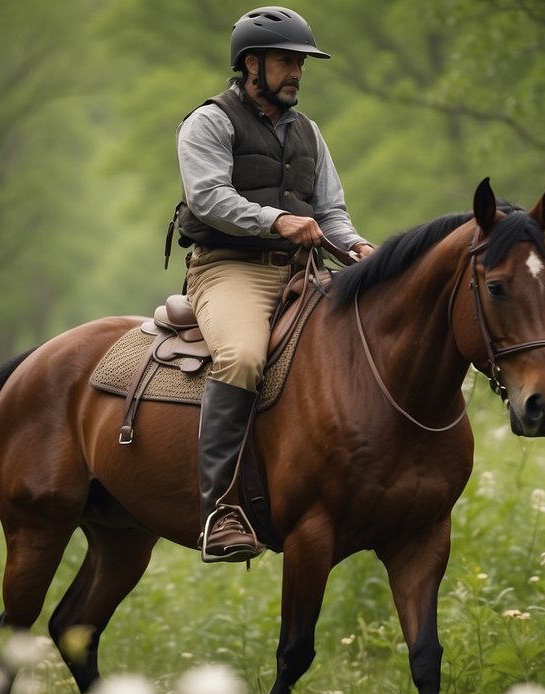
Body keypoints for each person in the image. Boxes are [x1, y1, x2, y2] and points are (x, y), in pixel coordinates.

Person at [173, 6, 374, 564]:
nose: (297, 73)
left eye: (302, 63)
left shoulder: (309, 132)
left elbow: (330, 211)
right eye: (287, 61)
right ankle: (219, 509)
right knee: (240, 357)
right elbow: (207, 197)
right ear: (250, 64)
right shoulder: (209, 122)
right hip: (228, 268)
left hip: (301, 271)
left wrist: (356, 247)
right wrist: (277, 221)